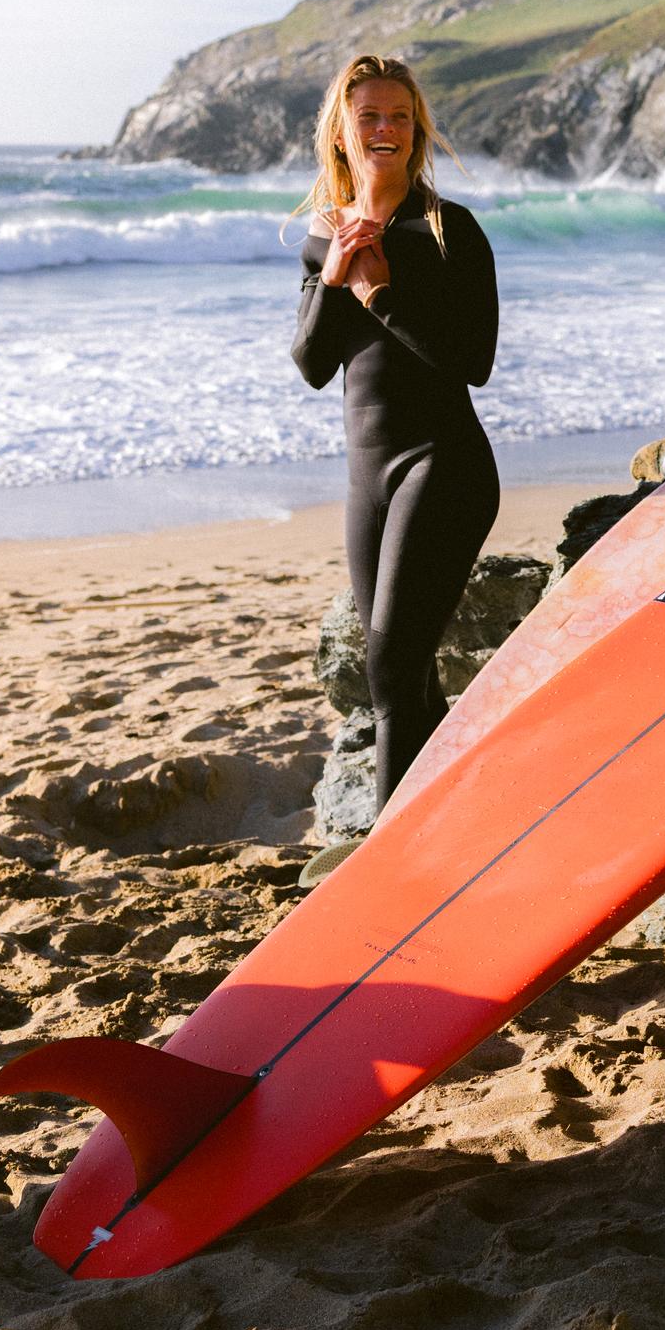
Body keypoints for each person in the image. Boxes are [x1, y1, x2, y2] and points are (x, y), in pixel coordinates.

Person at [290, 55, 501, 827]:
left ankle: (389, 848)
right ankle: (449, 823)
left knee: (387, 665)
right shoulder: (323, 231)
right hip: (367, 476)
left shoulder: (450, 231)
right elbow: (312, 363)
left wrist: (380, 291)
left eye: (400, 118)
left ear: (416, 133)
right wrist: (337, 271)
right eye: (369, 117)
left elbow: (470, 362)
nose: (385, 130)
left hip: (443, 464)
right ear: (340, 132)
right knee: (407, 680)